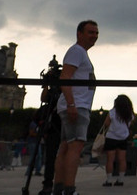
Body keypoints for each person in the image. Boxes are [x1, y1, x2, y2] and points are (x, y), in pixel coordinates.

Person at [53, 20, 99, 195]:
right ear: (79, 34)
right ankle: (69, 189)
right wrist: (72, 104)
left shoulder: (79, 52)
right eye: (91, 32)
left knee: (65, 147)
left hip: (74, 105)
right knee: (75, 146)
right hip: (76, 106)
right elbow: (65, 78)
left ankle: (59, 188)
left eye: (96, 33)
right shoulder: (77, 51)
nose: (94, 36)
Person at [101, 94, 134, 187]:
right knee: (122, 159)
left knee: (110, 160)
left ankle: (108, 180)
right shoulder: (130, 114)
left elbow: (106, 124)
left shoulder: (112, 112)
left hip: (111, 137)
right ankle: (120, 179)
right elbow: (130, 124)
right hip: (123, 138)